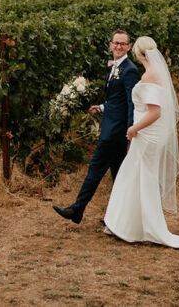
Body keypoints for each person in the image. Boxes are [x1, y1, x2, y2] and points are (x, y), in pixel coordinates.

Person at [102, 36, 179, 249]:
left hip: (147, 135)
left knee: (140, 177)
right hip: (147, 134)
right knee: (134, 176)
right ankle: (125, 225)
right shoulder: (155, 73)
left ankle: (139, 226)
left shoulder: (150, 75)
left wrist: (134, 128)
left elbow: (155, 111)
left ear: (137, 52)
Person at [52, 29, 139, 224]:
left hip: (115, 131)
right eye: (115, 43)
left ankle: (77, 209)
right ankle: (120, 218)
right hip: (112, 125)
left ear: (129, 47)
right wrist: (100, 107)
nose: (118, 46)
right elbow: (116, 100)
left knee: (95, 169)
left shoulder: (130, 70)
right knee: (119, 175)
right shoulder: (114, 67)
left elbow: (133, 101)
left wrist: (131, 128)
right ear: (110, 45)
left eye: (122, 44)